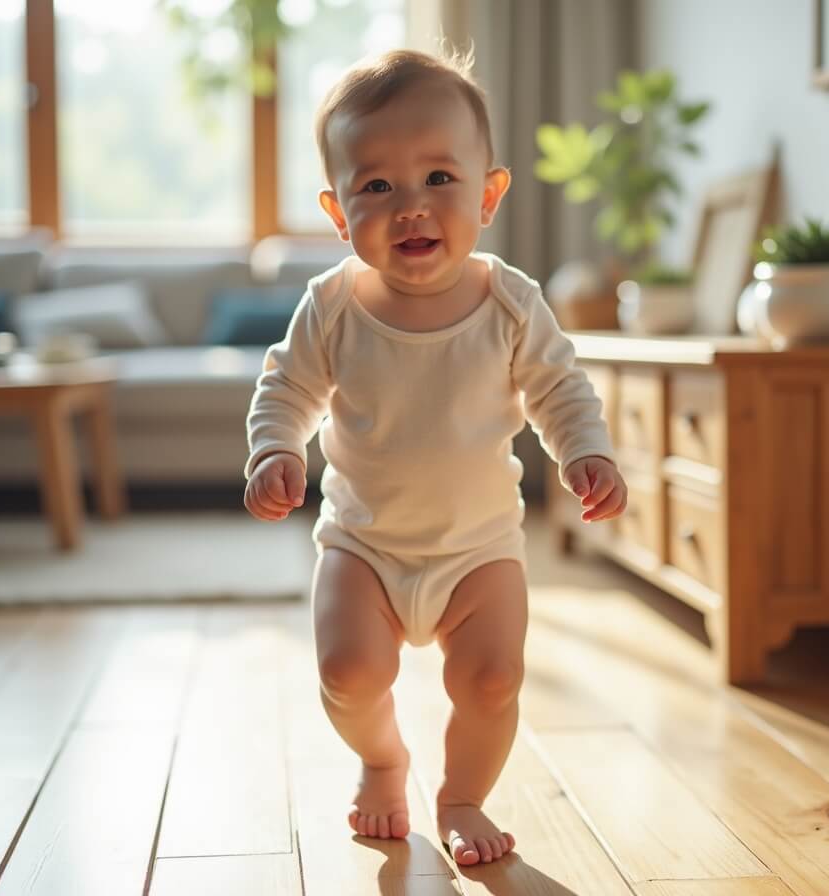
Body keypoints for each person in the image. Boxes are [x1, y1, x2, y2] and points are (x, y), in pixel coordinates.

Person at [243, 45, 627, 867]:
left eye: (439, 179)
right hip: (363, 543)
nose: (411, 206)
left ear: (488, 195)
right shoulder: (334, 305)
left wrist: (584, 453)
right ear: (340, 214)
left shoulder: (511, 303)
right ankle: (382, 760)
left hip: (479, 548)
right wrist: (276, 447)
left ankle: (461, 795)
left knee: (491, 681)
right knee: (348, 670)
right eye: (377, 186)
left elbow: (561, 393)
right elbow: (286, 389)